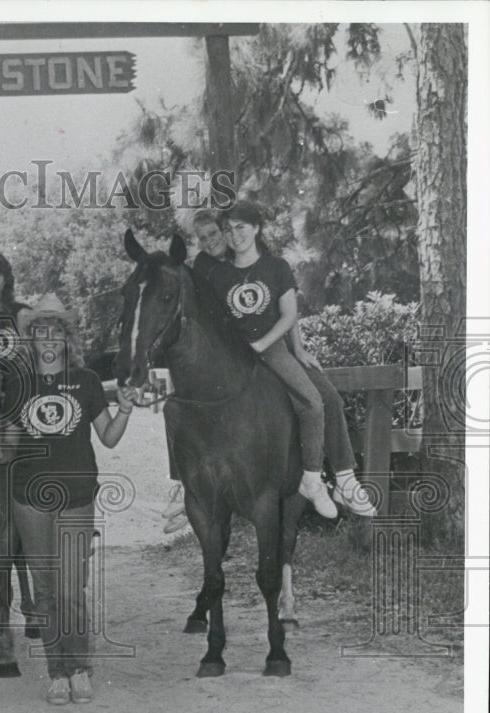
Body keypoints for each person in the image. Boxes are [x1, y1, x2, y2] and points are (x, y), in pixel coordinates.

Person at [0, 293, 138, 706]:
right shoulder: (16, 384)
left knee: (71, 589)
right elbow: (7, 446)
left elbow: (108, 437)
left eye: (55, 332)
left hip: (76, 496)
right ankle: (56, 672)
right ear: (30, 339)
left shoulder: (87, 382)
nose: (47, 340)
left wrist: (126, 409)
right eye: (39, 332)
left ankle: (79, 668)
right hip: (29, 497)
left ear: (66, 338)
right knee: (44, 591)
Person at [208, 200, 376, 517]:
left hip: (270, 347)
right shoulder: (220, 275)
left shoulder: (276, 267)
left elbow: (289, 315)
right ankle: (312, 481)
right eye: (228, 230)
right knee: (310, 402)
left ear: (256, 227)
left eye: (240, 226)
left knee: (327, 398)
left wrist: (294, 349)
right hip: (239, 356)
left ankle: (343, 478)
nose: (234, 235)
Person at [158, 210, 235, 533]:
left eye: (213, 235)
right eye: (202, 239)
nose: (209, 242)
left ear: (226, 232)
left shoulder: (245, 258)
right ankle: (184, 484)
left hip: (256, 342)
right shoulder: (200, 267)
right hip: (220, 348)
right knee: (174, 407)